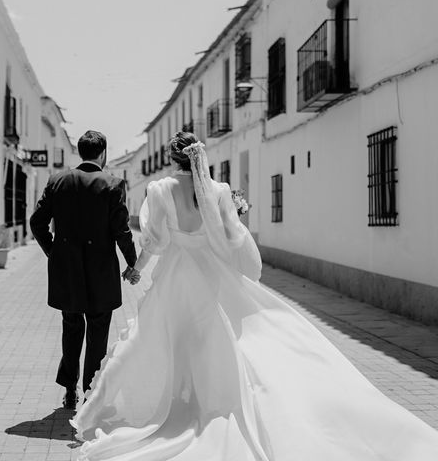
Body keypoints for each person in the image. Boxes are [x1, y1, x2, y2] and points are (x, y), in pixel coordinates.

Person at [70, 131, 438, 460]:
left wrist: (137, 267)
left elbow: (156, 240)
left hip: (176, 275)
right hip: (212, 276)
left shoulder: (160, 190)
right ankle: (210, 399)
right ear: (198, 156)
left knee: (165, 339)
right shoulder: (219, 191)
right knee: (213, 338)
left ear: (172, 159)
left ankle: (173, 401)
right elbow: (233, 238)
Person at [30, 130, 140, 410]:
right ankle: (91, 390)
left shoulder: (57, 181)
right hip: (101, 270)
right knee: (98, 331)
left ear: (81, 153)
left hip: (66, 269)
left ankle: (69, 390)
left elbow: (37, 222)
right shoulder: (113, 183)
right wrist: (132, 261)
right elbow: (121, 229)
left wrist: (52, 251)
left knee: (71, 326)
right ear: (103, 153)